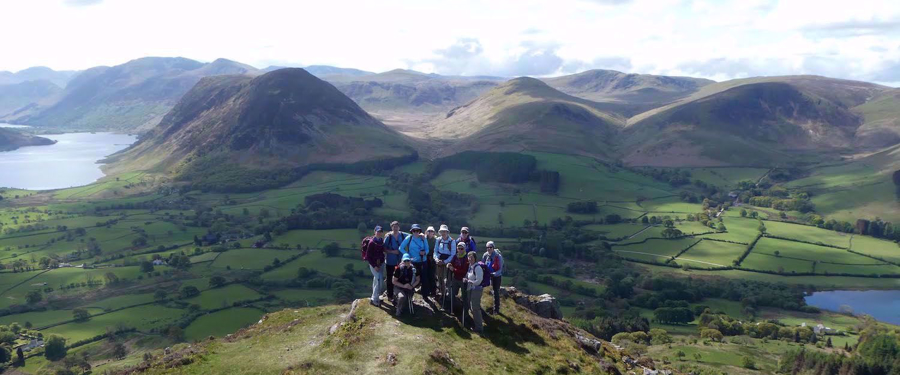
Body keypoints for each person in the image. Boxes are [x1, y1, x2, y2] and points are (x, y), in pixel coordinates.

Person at [399, 224, 429, 298]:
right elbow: (401, 248)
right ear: (411, 231)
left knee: (424, 278)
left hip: (422, 261)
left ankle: (425, 295)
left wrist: (424, 252)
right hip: (412, 262)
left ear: (419, 231)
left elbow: (427, 249)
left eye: (417, 230)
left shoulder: (423, 238)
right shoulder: (409, 238)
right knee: (412, 279)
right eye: (414, 230)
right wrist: (407, 255)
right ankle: (410, 295)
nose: (416, 232)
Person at [383, 221, 407, 302]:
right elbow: (384, 248)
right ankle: (390, 296)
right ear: (391, 227)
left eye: (396, 226)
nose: (395, 228)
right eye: (393, 226)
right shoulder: (388, 237)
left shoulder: (403, 235)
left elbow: (413, 236)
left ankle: (399, 295)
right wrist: (392, 252)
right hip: (390, 262)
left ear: (399, 227)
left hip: (401, 262)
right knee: (389, 279)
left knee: (399, 279)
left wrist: (422, 235)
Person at [364, 226, 386, 307]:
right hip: (374, 264)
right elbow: (368, 256)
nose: (379, 233)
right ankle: (374, 299)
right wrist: (374, 266)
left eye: (380, 231)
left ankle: (375, 297)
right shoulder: (371, 243)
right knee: (379, 280)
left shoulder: (381, 241)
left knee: (376, 280)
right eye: (378, 231)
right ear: (374, 232)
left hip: (381, 263)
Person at [464, 251, 486, 333]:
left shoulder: (477, 267)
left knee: (475, 308)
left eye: (471, 257)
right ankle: (476, 325)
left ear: (475, 258)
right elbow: (468, 275)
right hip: (471, 289)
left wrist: (470, 281)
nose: (470, 259)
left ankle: (479, 328)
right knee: (471, 307)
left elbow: (479, 280)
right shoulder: (470, 266)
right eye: (469, 257)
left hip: (476, 289)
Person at [433, 225, 456, 300]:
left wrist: (445, 262)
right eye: (442, 231)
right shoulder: (438, 240)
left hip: (447, 262)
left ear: (447, 232)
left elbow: (453, 254)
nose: (443, 233)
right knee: (439, 277)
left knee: (447, 278)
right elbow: (435, 251)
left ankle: (447, 294)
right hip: (439, 261)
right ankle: (441, 292)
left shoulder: (452, 241)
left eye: (444, 231)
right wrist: (437, 260)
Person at [482, 240, 504, 314]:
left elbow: (500, 269)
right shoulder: (485, 255)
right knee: (485, 290)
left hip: (496, 276)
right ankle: (485, 306)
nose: (488, 249)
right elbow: (482, 264)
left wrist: (494, 274)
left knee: (496, 292)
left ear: (493, 247)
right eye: (487, 247)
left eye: (490, 247)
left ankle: (496, 309)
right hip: (488, 275)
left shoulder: (498, 256)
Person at [447, 242, 469, 312]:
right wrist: (449, 265)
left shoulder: (467, 258)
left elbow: (464, 271)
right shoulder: (455, 256)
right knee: (452, 294)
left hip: (463, 279)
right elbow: (451, 263)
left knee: (464, 297)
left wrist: (454, 269)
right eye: (458, 248)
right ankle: (452, 309)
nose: (460, 250)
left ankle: (465, 312)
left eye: (461, 248)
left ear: (464, 249)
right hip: (455, 278)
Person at [424, 226, 438, 299]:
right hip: (424, 258)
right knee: (425, 275)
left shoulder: (436, 240)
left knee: (432, 275)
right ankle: (426, 291)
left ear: (434, 232)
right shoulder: (423, 238)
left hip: (432, 259)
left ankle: (433, 292)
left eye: (431, 231)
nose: (430, 232)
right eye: (429, 231)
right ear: (426, 231)